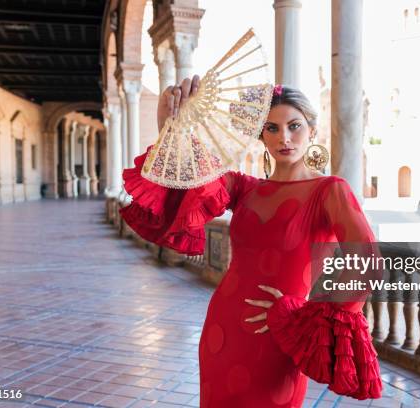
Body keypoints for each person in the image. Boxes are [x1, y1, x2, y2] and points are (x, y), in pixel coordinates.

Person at [120, 76, 383, 407]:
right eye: (271, 128)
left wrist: (305, 318)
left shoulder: (330, 191)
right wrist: (173, 126)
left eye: (294, 126)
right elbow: (187, 181)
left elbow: (368, 263)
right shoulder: (243, 188)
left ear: (312, 130)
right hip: (223, 328)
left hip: (277, 339)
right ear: (261, 135)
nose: (283, 137)